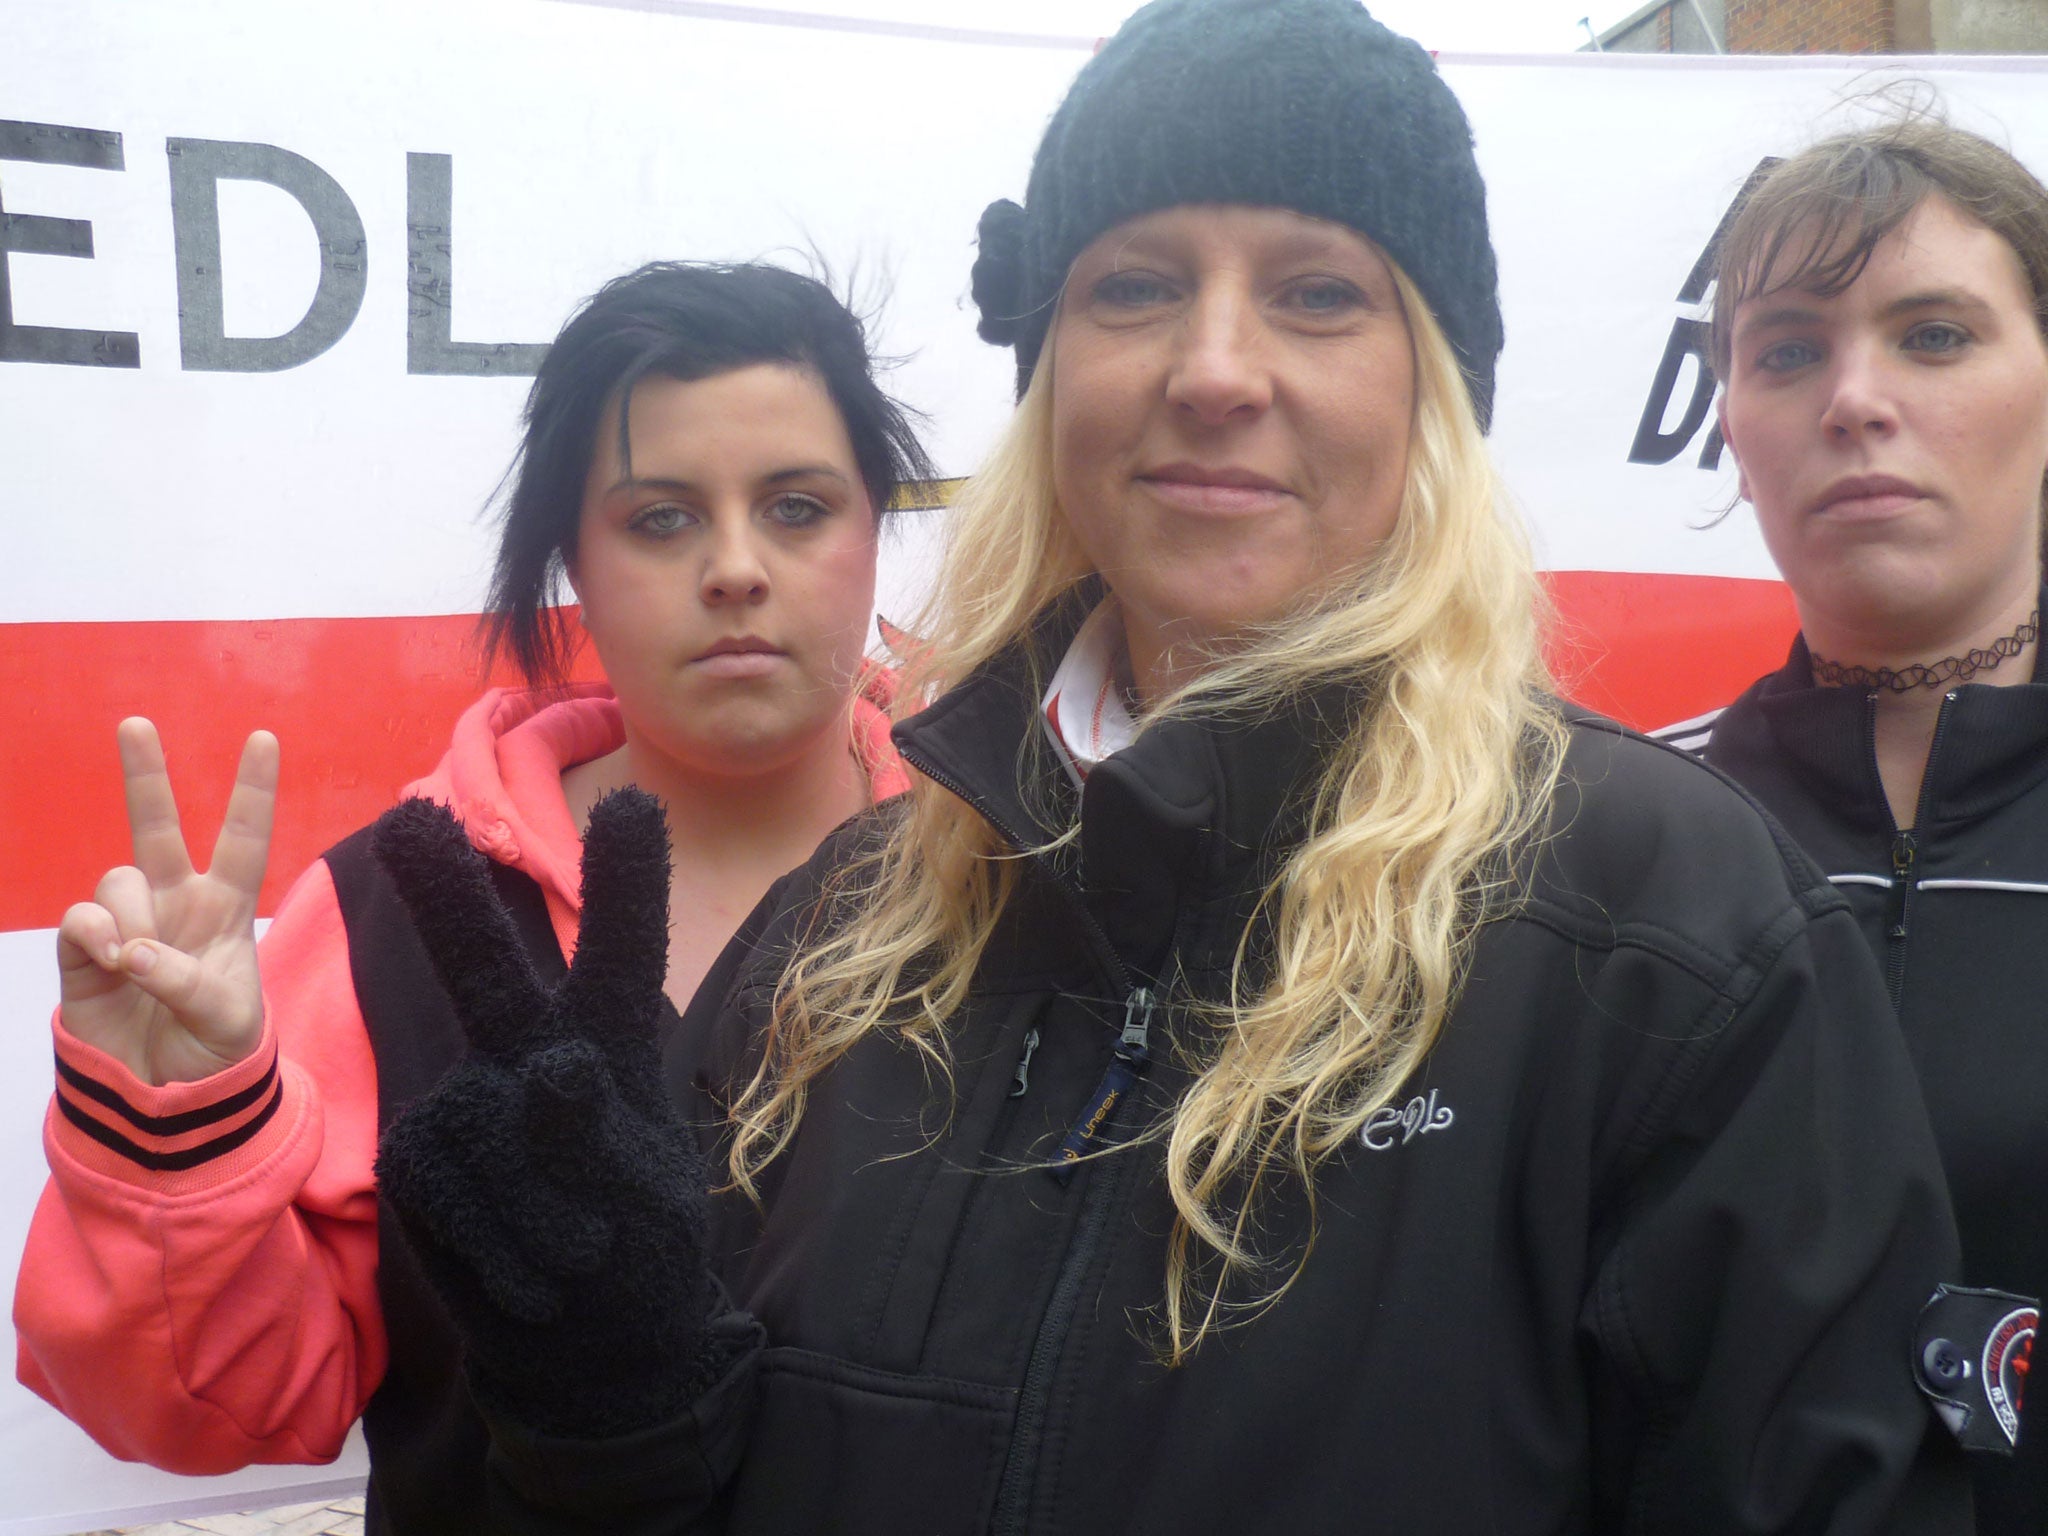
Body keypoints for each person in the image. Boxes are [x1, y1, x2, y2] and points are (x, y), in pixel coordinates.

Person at [352, 5, 1983, 1533]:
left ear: (1431, 387)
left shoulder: (1665, 929)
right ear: (1051, 374)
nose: (1214, 365)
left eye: (1317, 291)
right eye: (1132, 285)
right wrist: (602, 1434)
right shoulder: (836, 933)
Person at [12, 260, 933, 1533]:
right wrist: (176, 1134)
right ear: (574, 561)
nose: (734, 567)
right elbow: (214, 1410)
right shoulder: (391, 911)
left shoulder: (1005, 876)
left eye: (795, 506)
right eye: (658, 518)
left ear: (872, 529)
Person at [1659, 115, 2048, 1532]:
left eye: (1935, 335)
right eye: (1788, 349)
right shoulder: (1605, 842)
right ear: (1733, 421)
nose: (1854, 399)